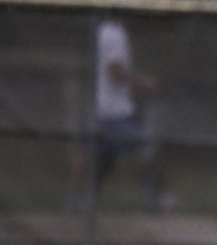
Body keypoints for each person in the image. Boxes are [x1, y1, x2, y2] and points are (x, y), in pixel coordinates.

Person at [68, 15, 167, 212]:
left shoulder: (103, 30)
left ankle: (80, 198)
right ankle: (152, 199)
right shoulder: (116, 34)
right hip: (115, 111)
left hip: (102, 106)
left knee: (98, 156)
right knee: (144, 149)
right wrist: (144, 81)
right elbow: (113, 70)